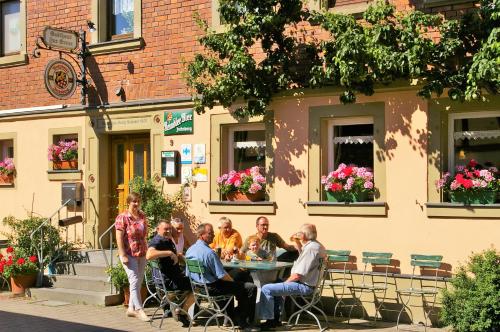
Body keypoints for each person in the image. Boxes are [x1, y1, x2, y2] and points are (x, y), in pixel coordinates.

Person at [185, 223, 260, 332]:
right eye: (210, 233)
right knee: (250, 287)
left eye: (213, 233)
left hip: (199, 287)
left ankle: (231, 317)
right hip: (213, 288)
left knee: (240, 277)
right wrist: (234, 283)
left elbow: (188, 273)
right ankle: (241, 320)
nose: (213, 235)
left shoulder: (190, 250)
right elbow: (223, 276)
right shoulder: (209, 253)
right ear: (201, 235)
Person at [259, 223, 326, 328]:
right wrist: (297, 241)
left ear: (303, 235)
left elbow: (297, 276)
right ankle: (276, 319)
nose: (298, 234)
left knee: (266, 288)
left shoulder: (310, 249)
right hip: (309, 283)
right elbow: (303, 256)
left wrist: (285, 285)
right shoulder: (316, 245)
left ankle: (269, 321)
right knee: (276, 283)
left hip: (304, 285)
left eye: (300, 232)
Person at [146, 220, 194, 327]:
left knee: (192, 282)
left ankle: (179, 309)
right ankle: (181, 310)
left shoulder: (167, 240)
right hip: (169, 282)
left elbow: (176, 256)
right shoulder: (157, 241)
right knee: (198, 286)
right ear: (158, 230)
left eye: (169, 229)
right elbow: (149, 255)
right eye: (165, 229)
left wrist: (180, 258)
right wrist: (169, 253)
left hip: (170, 279)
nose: (168, 231)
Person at [115, 192, 150, 322]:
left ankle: (130, 309)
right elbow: (119, 237)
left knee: (139, 281)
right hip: (129, 254)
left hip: (141, 252)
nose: (136, 204)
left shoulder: (142, 216)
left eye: (138, 201)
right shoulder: (122, 217)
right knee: (134, 280)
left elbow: (144, 234)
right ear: (128, 202)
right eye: (134, 201)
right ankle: (139, 310)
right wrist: (122, 254)